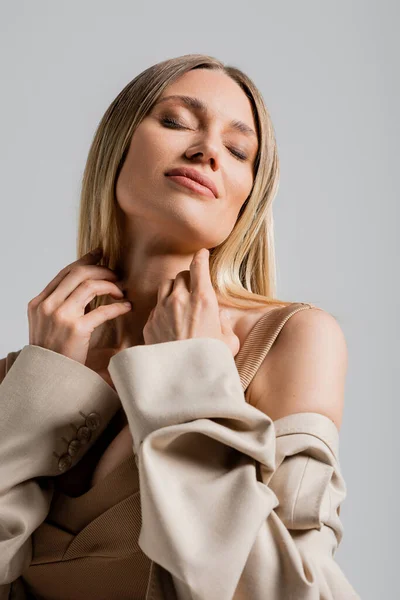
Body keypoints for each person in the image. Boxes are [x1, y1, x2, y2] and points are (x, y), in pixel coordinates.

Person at [0, 53, 360, 599]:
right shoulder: (27, 372)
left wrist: (191, 381)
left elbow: (292, 592)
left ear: (247, 200)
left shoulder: (292, 339)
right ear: (117, 148)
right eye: (174, 121)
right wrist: (40, 388)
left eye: (238, 151)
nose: (207, 151)